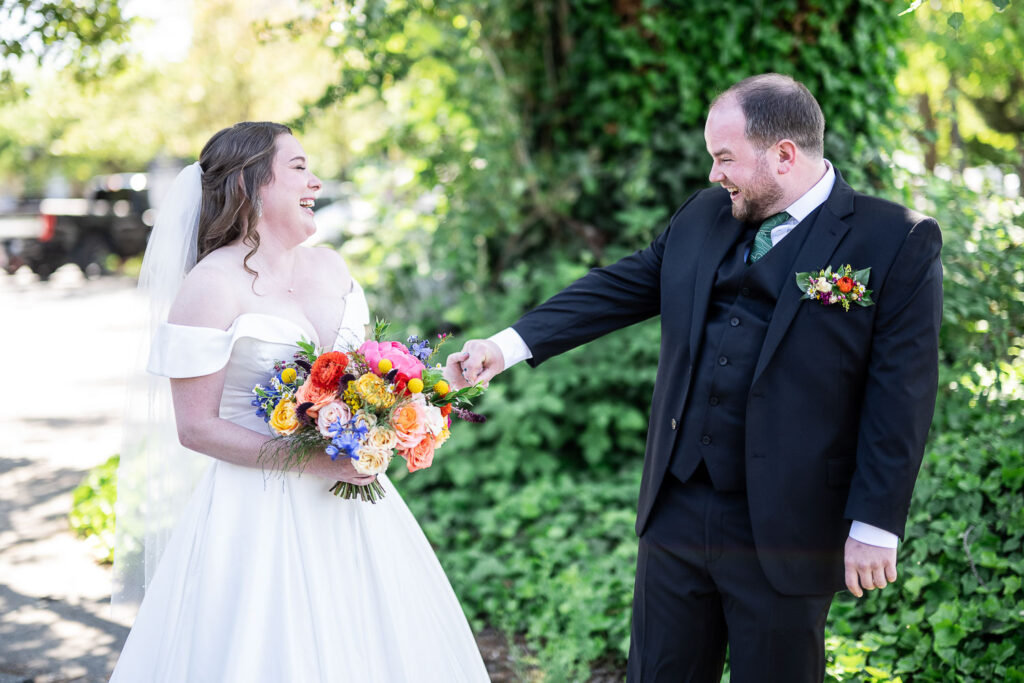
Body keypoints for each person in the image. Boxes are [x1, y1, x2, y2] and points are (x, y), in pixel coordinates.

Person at [447, 74, 943, 682]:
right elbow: (620, 286)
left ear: (783, 155)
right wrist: (505, 347)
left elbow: (903, 393)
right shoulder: (705, 215)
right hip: (677, 508)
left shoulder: (894, 238)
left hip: (791, 521)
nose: (714, 175)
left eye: (724, 158)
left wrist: (875, 523)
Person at [110, 121, 489, 682]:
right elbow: (196, 428)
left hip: (354, 508)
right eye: (298, 168)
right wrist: (313, 458)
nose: (315, 181)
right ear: (249, 185)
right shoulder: (210, 286)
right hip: (255, 515)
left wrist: (420, 397)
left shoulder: (331, 267)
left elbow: (370, 375)